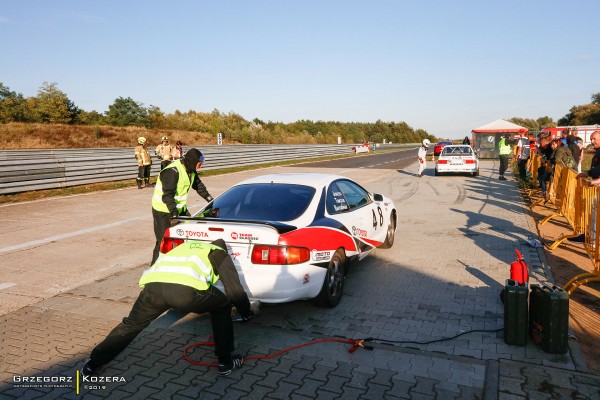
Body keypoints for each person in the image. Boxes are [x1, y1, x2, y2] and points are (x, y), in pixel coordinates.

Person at [81, 239, 253, 377]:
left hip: (152, 289)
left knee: (131, 325)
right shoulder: (218, 251)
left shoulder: (185, 247)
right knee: (222, 305)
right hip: (184, 294)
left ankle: (93, 363)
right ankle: (225, 362)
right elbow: (235, 290)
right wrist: (246, 313)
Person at [151, 148, 214, 265]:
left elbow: (199, 186)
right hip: (163, 210)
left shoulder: (190, 171)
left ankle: (180, 264)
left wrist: (211, 200)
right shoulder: (172, 171)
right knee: (163, 240)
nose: (200, 167)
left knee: (189, 234)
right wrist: (174, 213)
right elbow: (167, 196)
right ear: (192, 162)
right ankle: (153, 269)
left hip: (179, 209)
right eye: (199, 164)